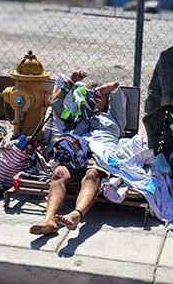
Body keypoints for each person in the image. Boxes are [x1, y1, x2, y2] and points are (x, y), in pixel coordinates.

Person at [29, 70, 121, 235]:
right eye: (92, 97)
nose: (96, 99)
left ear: (107, 100)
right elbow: (56, 104)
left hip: (99, 153)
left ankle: (75, 215)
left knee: (92, 174)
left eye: (101, 97)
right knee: (59, 173)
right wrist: (71, 82)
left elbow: (116, 88)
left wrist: (100, 91)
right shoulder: (78, 116)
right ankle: (49, 220)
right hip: (77, 152)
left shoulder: (114, 116)